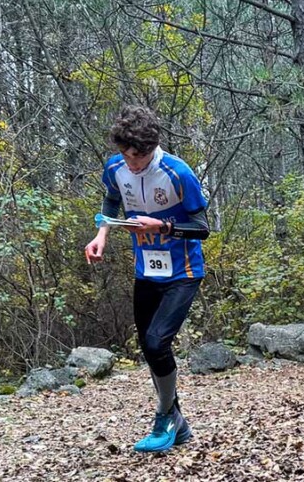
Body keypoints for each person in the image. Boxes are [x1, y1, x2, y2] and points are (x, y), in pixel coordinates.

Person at [84, 105, 211, 453]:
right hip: (147, 271)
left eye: (138, 157)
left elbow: (202, 228)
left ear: (152, 148)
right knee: (150, 349)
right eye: (126, 156)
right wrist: (102, 235)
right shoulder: (115, 168)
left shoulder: (178, 173)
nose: (132, 164)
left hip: (183, 272)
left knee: (157, 343)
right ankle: (177, 425)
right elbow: (111, 200)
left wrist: (163, 226)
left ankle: (164, 418)